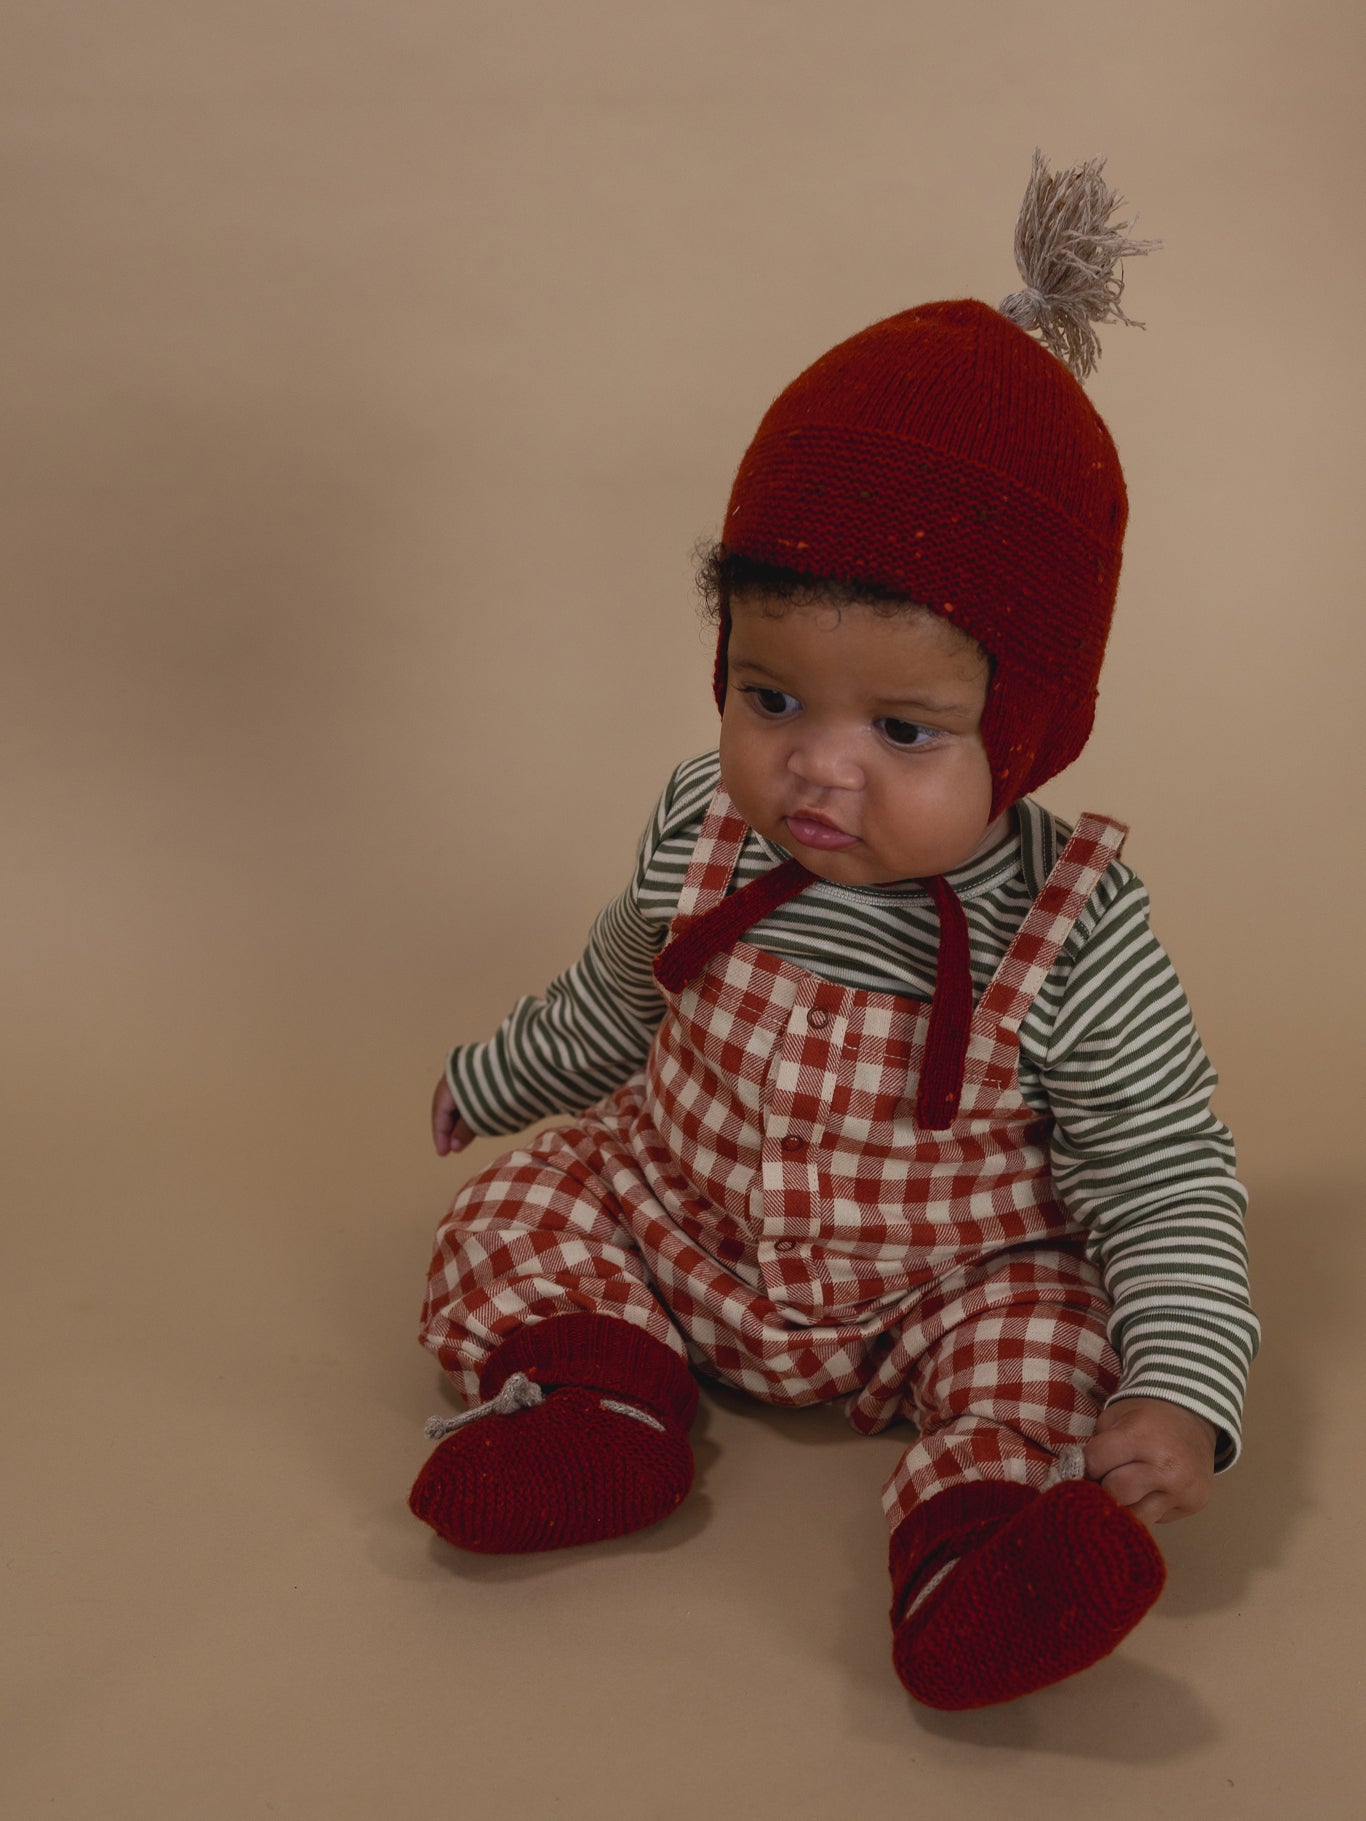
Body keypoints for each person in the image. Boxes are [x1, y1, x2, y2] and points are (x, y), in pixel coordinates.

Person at [407, 153, 1259, 1711]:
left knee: (1047, 1342)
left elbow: (1161, 1170)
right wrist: (496, 1075)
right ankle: (600, 1398)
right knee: (520, 1205)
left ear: (1027, 726)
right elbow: (614, 995)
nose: (816, 767)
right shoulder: (701, 822)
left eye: (903, 729)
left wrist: (1181, 1388)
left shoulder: (1069, 927)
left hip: (936, 1291)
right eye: (770, 696)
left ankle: (976, 1538)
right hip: (679, 1232)